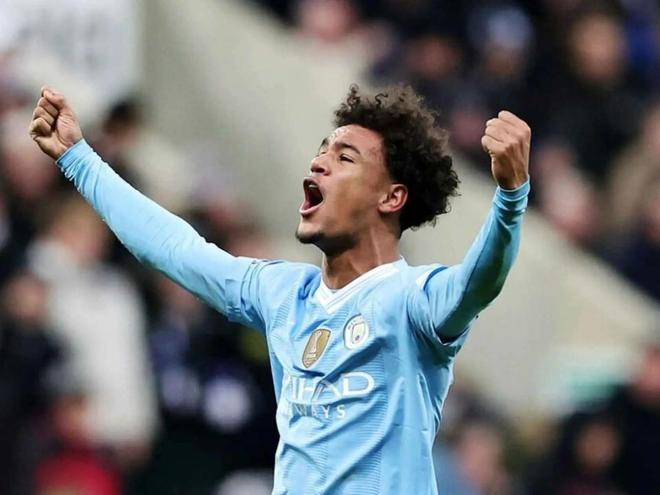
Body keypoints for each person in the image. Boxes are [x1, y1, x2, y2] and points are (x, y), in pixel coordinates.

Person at [28, 83, 530, 495]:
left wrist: (511, 197)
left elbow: (481, 280)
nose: (318, 163)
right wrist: (78, 158)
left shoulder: (414, 300)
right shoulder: (283, 293)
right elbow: (175, 249)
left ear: (391, 197)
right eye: (321, 152)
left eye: (344, 157)